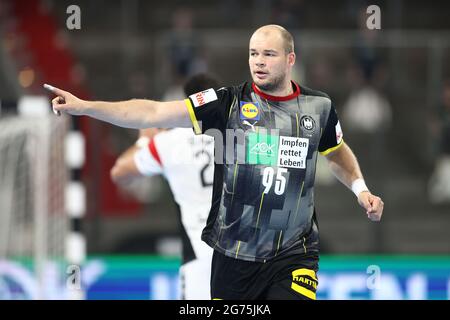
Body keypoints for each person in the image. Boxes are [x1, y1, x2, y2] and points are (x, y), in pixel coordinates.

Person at [44, 24, 384, 300]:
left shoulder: (318, 107)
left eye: (268, 54)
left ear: (290, 58)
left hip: (293, 253)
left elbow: (336, 150)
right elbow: (153, 111)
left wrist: (360, 189)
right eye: (253, 54)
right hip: (232, 256)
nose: (259, 61)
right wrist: (86, 106)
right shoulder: (227, 104)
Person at [109, 74, 220, 299]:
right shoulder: (241, 135)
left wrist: (145, 140)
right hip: (245, 256)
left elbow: (119, 173)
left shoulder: (171, 141)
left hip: (199, 255)